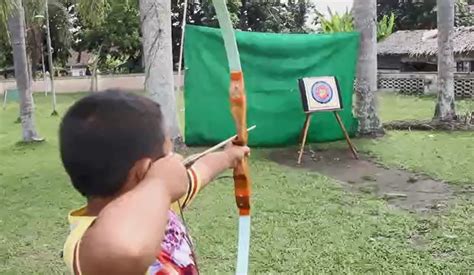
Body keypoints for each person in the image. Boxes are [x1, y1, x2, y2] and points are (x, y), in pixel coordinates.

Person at [60, 90, 250, 274]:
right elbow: (126, 250)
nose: (175, 158)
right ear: (143, 172)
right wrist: (160, 184)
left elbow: (203, 170)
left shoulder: (160, 200)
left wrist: (228, 156)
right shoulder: (87, 243)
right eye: (167, 155)